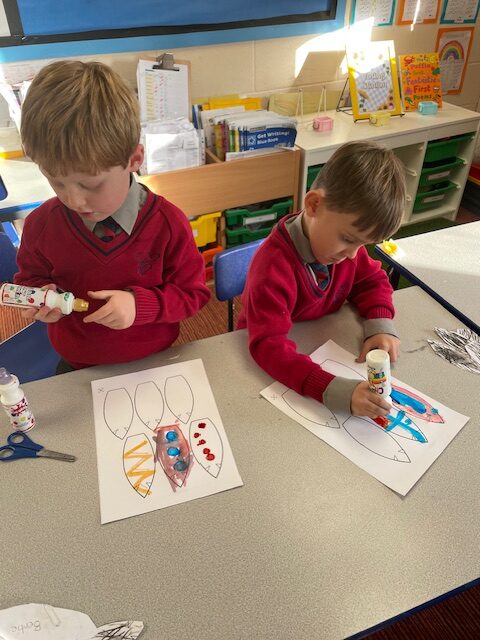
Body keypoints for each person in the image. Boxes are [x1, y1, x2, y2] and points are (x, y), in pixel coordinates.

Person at [15, 60, 210, 372]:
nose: (74, 200)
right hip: (76, 364)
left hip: (156, 360)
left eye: (91, 184)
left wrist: (139, 305)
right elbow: (30, 278)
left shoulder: (169, 224)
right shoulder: (41, 225)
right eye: (56, 181)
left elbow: (192, 295)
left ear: (134, 159)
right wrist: (40, 297)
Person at [238, 140, 406, 419]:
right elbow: (268, 346)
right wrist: (331, 389)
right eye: (348, 239)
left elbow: (372, 280)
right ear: (314, 205)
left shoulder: (345, 252)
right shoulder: (272, 267)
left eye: (364, 245)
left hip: (321, 339)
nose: (353, 256)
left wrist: (380, 324)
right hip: (272, 356)